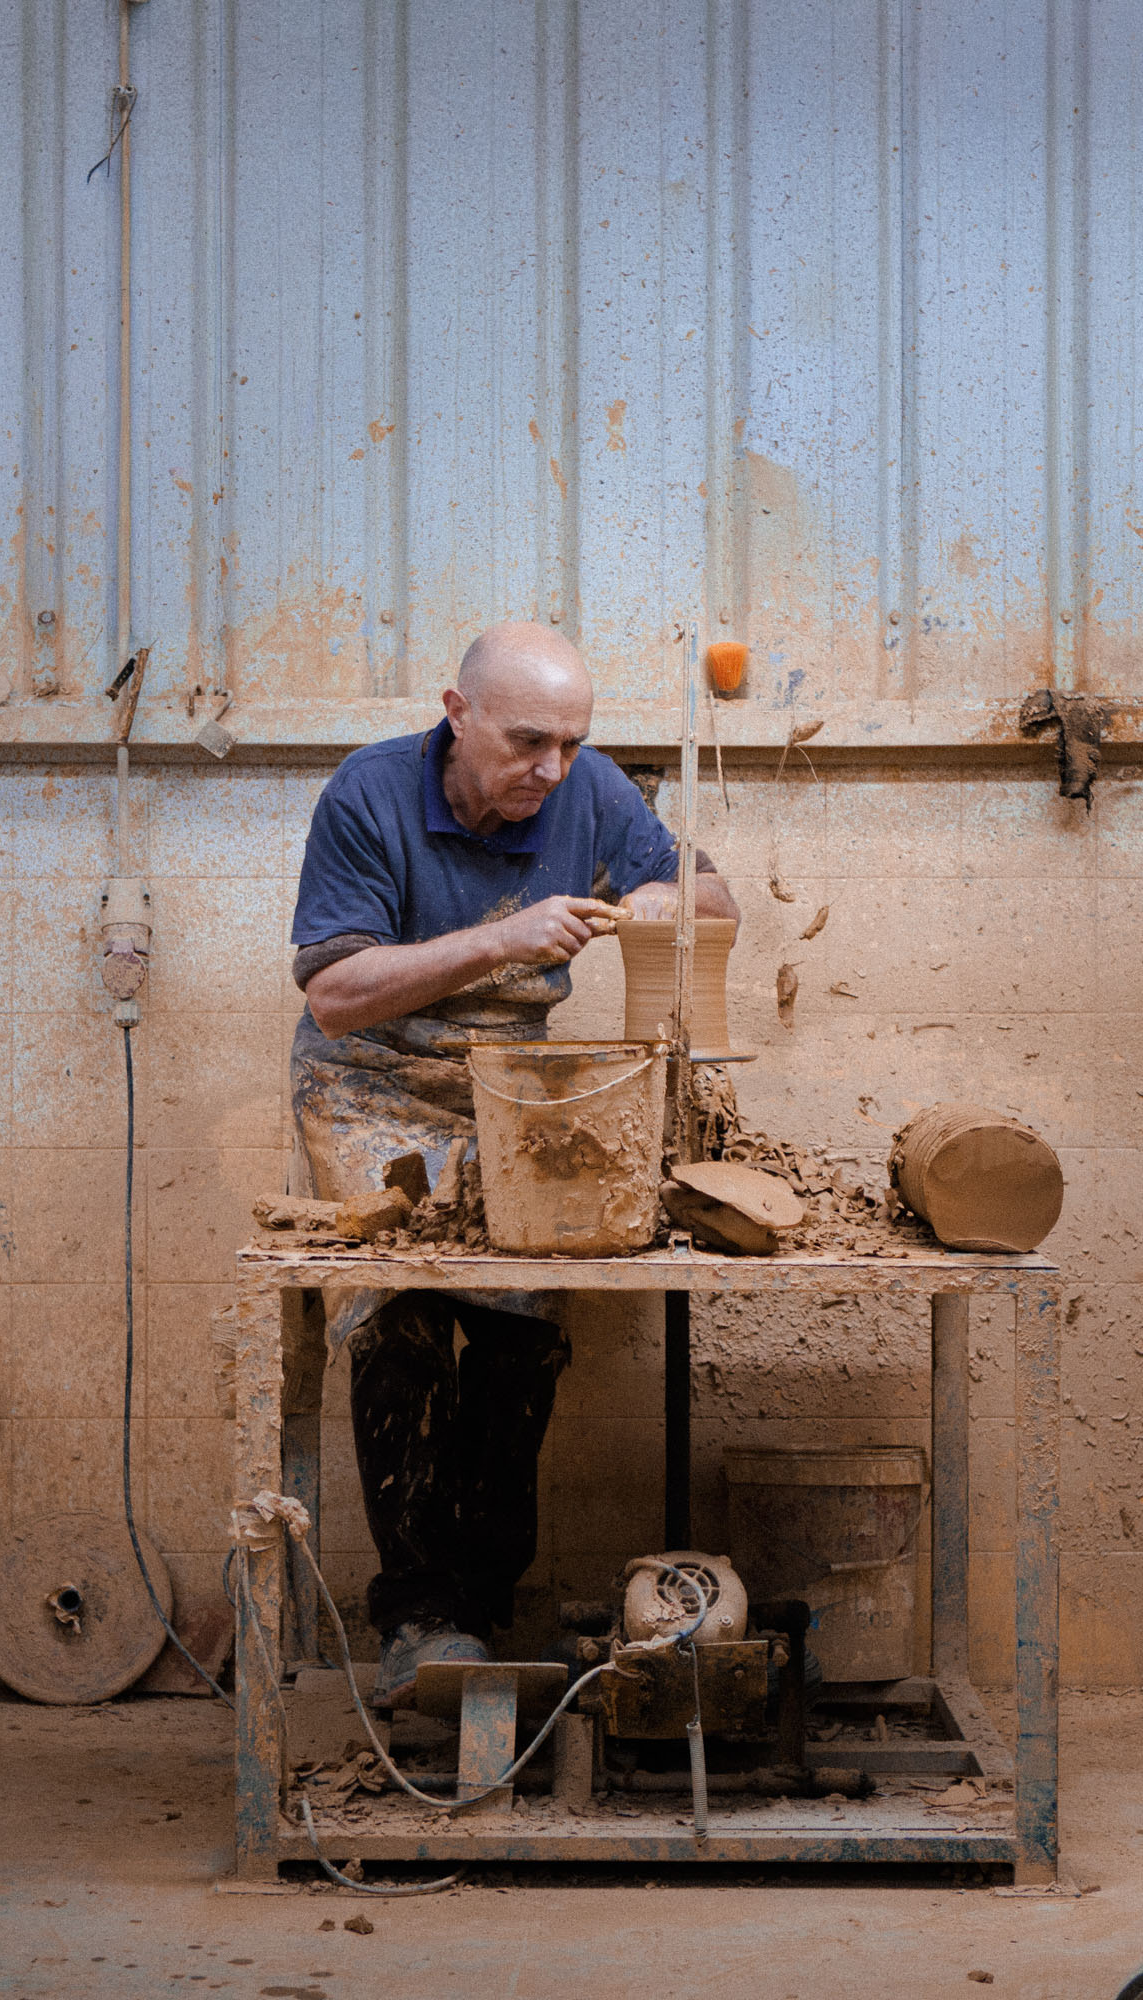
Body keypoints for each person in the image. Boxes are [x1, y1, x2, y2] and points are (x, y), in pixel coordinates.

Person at [287, 620, 740, 1703]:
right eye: (529, 741)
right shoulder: (370, 793)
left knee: (523, 1323)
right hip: (372, 1086)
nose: (551, 769)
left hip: (512, 1089)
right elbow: (333, 994)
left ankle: (479, 1608)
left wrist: (675, 898)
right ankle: (415, 1613)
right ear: (458, 712)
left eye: (572, 743)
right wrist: (502, 936)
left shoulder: (589, 790)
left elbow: (716, 899)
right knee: (397, 1317)